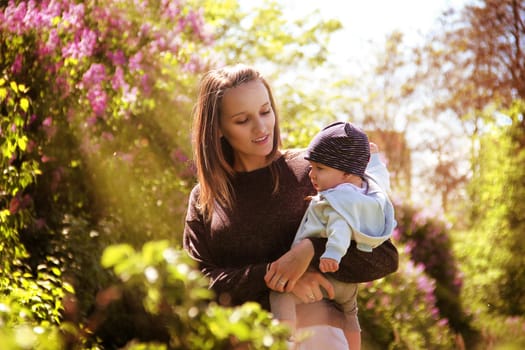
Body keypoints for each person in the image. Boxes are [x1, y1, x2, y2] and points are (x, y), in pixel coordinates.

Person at [183, 63, 398, 349]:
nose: (261, 127)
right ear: (218, 128)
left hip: (317, 335)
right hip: (241, 341)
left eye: (265, 111)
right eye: (242, 120)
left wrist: (310, 252)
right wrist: (276, 277)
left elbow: (382, 256)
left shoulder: (312, 172)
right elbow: (195, 286)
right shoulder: (205, 197)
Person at [268, 121, 396, 349]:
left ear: (347, 173)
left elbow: (340, 229)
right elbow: (380, 175)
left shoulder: (338, 200)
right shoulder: (368, 188)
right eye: (312, 166)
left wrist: (332, 255)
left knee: (280, 297)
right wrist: (373, 158)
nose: (311, 174)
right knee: (350, 312)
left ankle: (283, 343)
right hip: (347, 285)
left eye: (320, 168)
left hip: (325, 273)